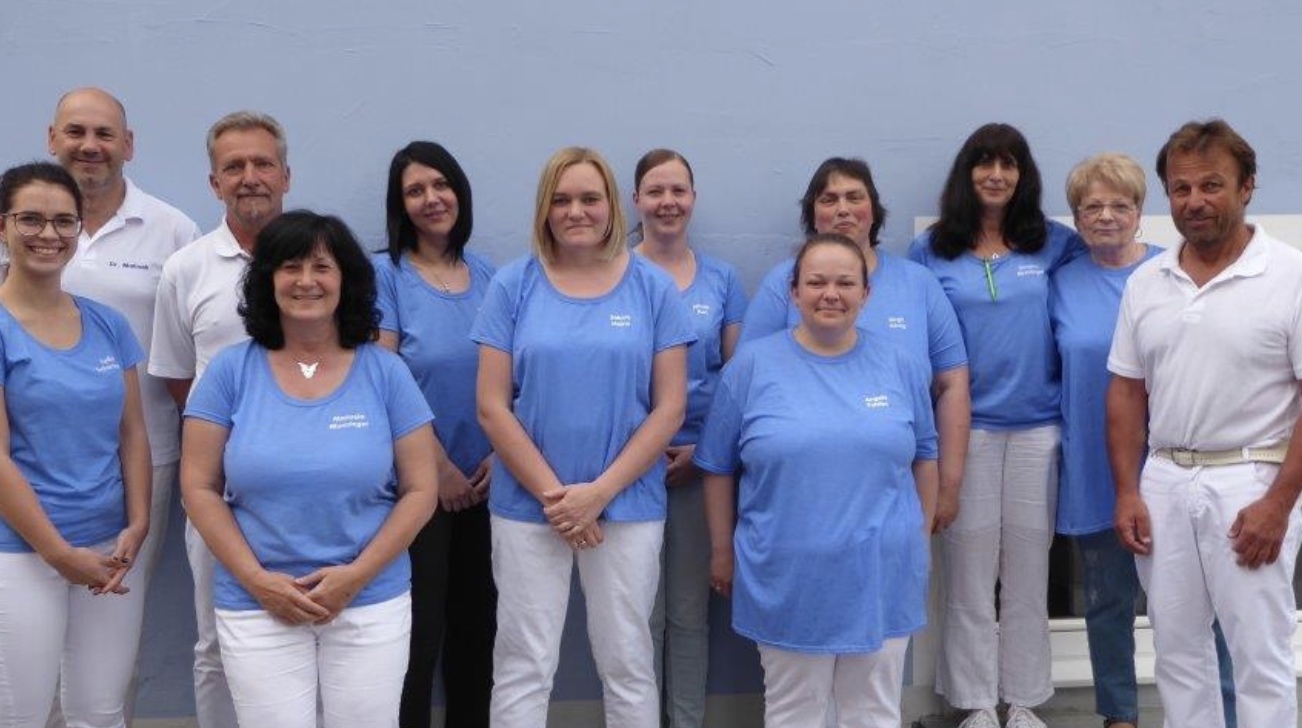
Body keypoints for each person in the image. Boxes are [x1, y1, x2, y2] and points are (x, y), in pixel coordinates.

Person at [180, 210, 440, 727]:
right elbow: (199, 486)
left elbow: (420, 490)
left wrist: (356, 576)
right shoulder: (229, 371)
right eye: (290, 267)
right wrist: (258, 581)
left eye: (322, 267)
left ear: (346, 280)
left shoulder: (386, 372)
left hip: (369, 599)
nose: (306, 281)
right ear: (267, 279)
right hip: (258, 602)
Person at [471, 147, 694, 728]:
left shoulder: (653, 289)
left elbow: (670, 407)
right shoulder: (513, 285)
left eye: (590, 198)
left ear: (613, 205)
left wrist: (597, 495)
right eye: (562, 199)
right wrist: (561, 501)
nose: (576, 211)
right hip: (529, 508)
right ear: (544, 209)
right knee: (523, 664)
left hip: (626, 507)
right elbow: (492, 407)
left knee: (628, 663)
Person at [696, 233, 938, 728]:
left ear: (866, 293)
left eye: (845, 283)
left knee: (873, 713)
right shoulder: (750, 368)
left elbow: (926, 457)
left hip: (882, 575)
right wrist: (722, 551)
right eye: (816, 282)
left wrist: (919, 540)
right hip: (787, 576)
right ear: (794, 292)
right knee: (795, 713)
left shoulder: (901, 366)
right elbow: (717, 467)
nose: (831, 293)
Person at [1108, 119, 1302, 728]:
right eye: (1181, 188)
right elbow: (1126, 392)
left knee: (1259, 654)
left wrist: (1279, 503)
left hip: (1253, 481)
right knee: (1176, 651)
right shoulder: (1146, 282)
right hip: (1165, 480)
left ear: (1247, 187)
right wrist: (1128, 490)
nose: (1194, 201)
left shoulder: (1290, 276)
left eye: (1211, 185)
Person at [908, 123, 1082, 728]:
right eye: (985, 163)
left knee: (1030, 572)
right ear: (968, 172)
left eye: (1009, 164)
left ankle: (1025, 701)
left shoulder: (1055, 244)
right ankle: (977, 701)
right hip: (967, 432)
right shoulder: (932, 250)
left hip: (1038, 430)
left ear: (1022, 175)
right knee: (968, 572)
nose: (997, 175)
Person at [46, 87, 200, 725]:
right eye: (76, 131)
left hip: (144, 459)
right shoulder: (18, 223)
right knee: (26, 625)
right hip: (27, 459)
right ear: (52, 139)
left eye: (105, 134)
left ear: (128, 145)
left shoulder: (172, 230)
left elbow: (192, 350)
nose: (90, 146)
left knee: (112, 619)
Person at [150, 110, 291, 728]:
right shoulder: (187, 268)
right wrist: (229, 444)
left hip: (312, 485)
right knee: (216, 640)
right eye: (234, 166)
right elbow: (179, 376)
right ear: (214, 183)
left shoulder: (319, 257)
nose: (249, 177)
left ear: (286, 175)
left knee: (313, 628)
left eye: (263, 163)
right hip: (220, 490)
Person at [0, 161, 151, 727]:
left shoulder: (108, 324)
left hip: (110, 549)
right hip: (21, 553)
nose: (49, 234)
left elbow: (132, 433)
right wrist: (59, 554)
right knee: (21, 714)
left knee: (100, 712)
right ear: (2, 226)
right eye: (31, 219)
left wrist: (138, 524)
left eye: (64, 221)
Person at [742, 157, 969, 531]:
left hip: (899, 488)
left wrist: (949, 483)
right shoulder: (782, 285)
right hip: (801, 491)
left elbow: (952, 384)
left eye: (854, 197)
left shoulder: (918, 284)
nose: (843, 209)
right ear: (813, 215)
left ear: (873, 211)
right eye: (829, 199)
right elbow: (746, 382)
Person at [374, 141, 497, 728]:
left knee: (479, 632)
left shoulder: (491, 275)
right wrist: (438, 467)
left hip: (492, 483)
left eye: (440, 184)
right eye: (415, 191)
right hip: (419, 486)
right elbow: (384, 377)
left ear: (459, 191)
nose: (431, 199)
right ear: (400, 205)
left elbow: (515, 375)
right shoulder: (385, 275)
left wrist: (502, 455)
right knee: (418, 638)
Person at [632, 148, 747, 728]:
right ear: (636, 201)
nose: (667, 202)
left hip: (701, 469)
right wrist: (641, 453)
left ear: (693, 199)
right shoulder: (615, 275)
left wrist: (705, 454)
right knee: (637, 618)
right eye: (655, 191)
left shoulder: (722, 280)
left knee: (686, 613)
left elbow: (738, 379)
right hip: (629, 473)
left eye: (678, 190)